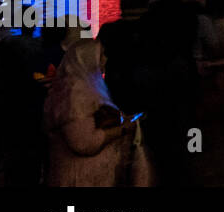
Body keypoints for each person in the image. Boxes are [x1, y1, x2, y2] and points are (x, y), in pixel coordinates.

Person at [43, 40, 149, 187]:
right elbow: (83, 142)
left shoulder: (91, 86)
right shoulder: (74, 93)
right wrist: (123, 129)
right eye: (100, 56)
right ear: (86, 58)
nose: (103, 61)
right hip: (77, 179)